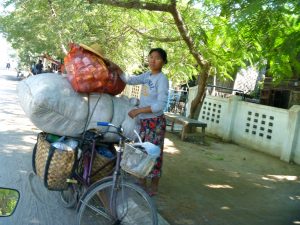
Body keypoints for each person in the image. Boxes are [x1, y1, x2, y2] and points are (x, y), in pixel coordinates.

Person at [118, 48, 169, 196]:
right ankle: (141, 181)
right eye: (151, 57)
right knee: (142, 150)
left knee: (153, 153)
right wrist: (116, 67)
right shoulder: (147, 76)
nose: (153, 60)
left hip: (155, 123)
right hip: (144, 121)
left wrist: (138, 111)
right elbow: (130, 80)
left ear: (163, 62)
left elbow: (160, 105)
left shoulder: (162, 79)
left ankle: (154, 185)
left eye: (157, 58)